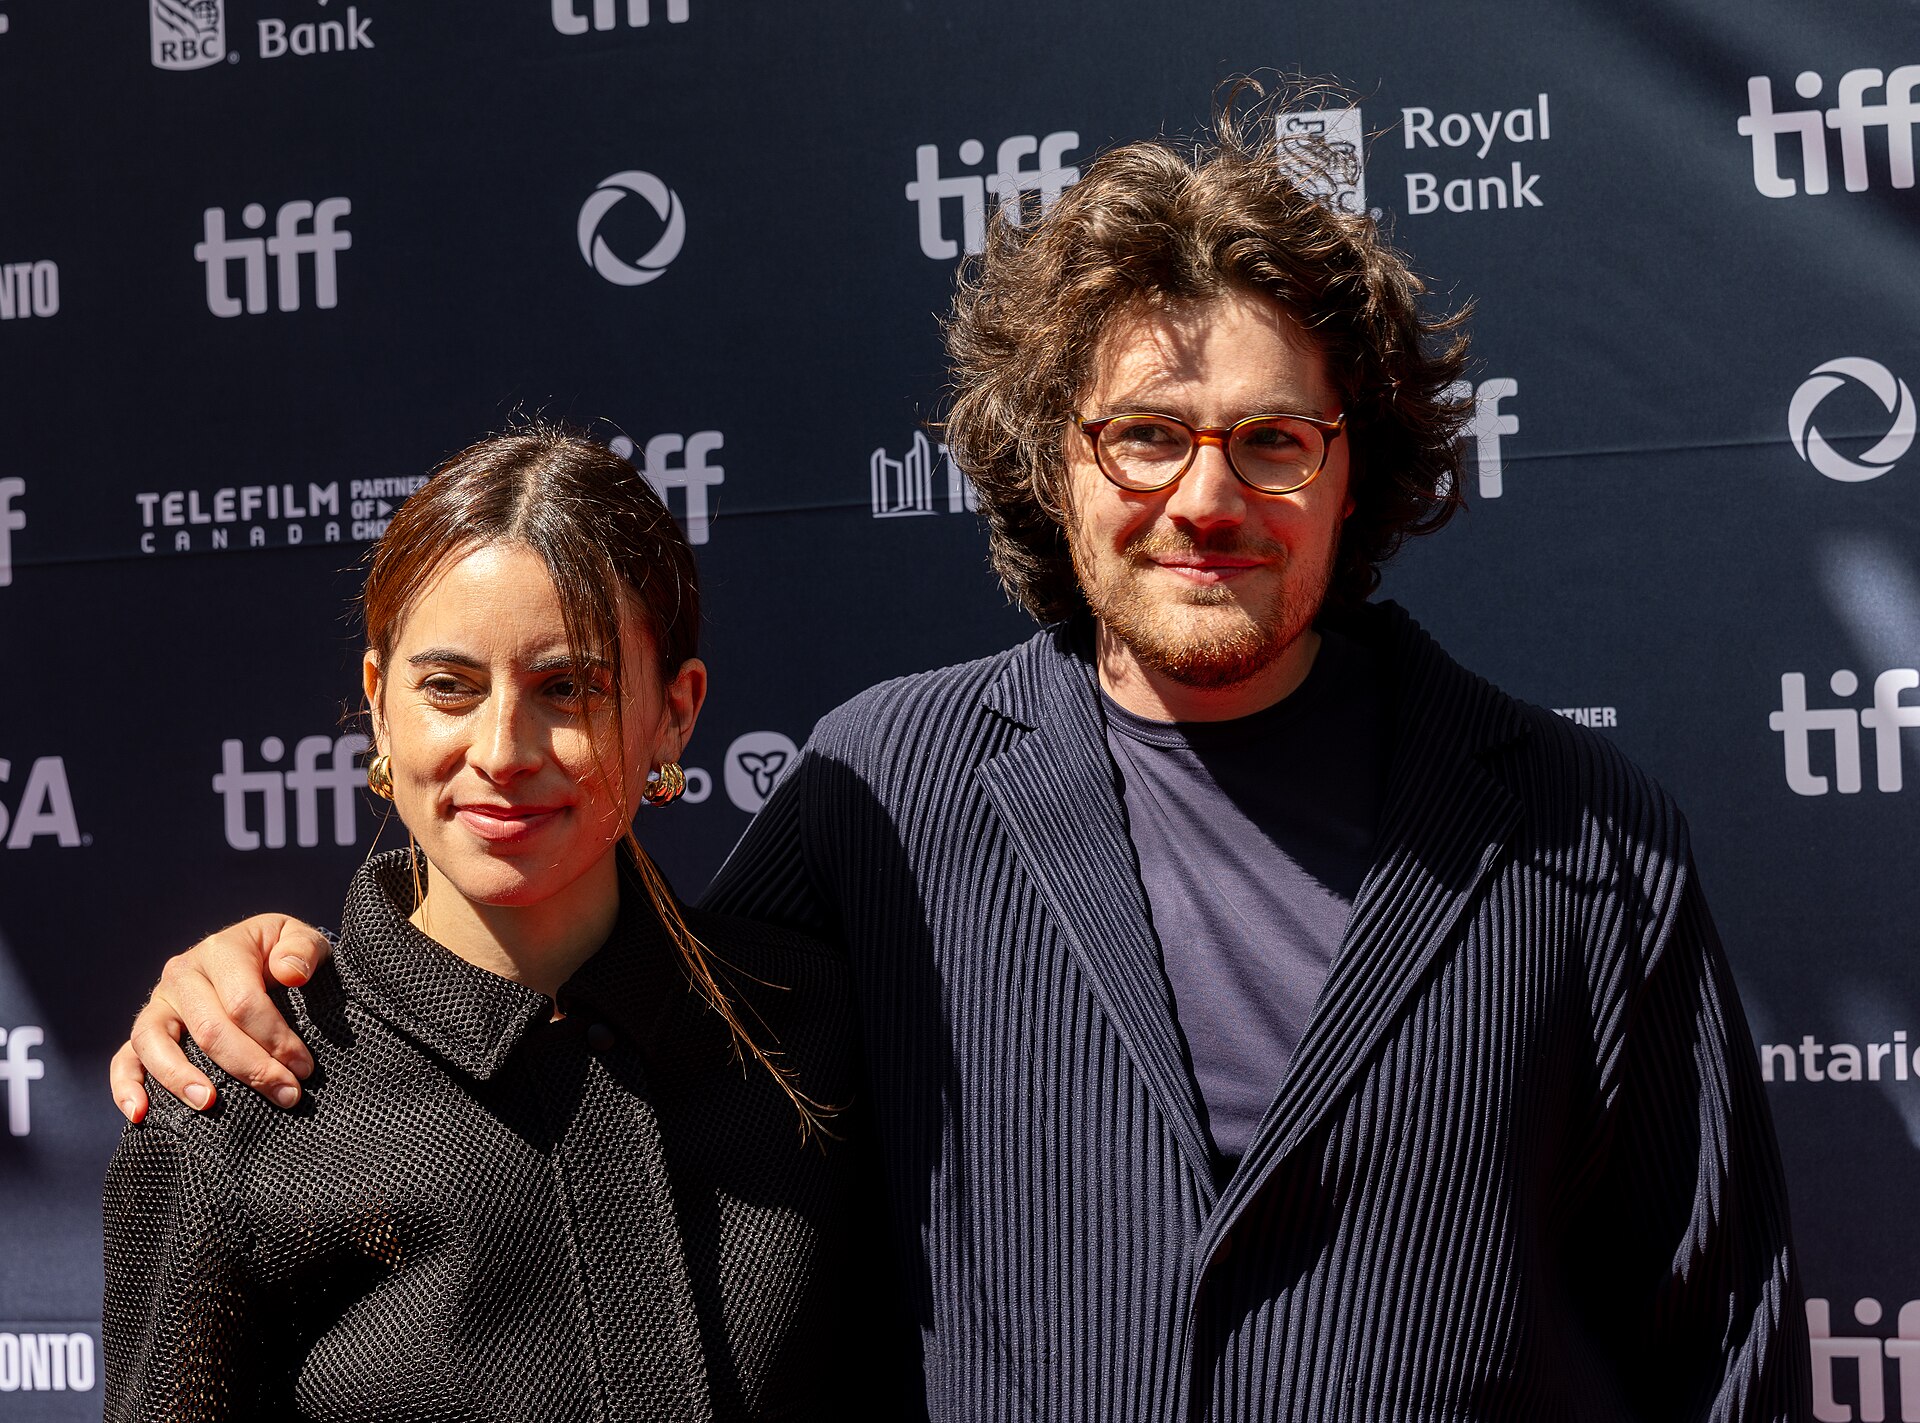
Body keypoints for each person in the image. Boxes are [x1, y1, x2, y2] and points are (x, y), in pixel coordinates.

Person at [112, 96, 1810, 1419]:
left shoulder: (1585, 845)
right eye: (1143, 432)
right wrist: (273, 963)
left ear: (1356, 470)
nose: (1205, 494)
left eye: (1272, 439)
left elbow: (1724, 1353)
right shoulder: (888, 793)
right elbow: (604, 1000)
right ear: (1046, 467)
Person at [103, 426, 880, 1421]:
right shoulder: (236, 1099)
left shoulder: (811, 1029)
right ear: (381, 703)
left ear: (676, 714)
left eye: (568, 687)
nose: (503, 749)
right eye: (449, 686)